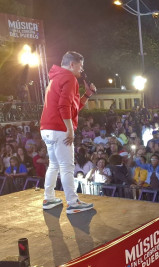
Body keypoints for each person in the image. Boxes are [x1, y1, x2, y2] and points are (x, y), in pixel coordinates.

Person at [40, 51, 96, 214]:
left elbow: (73, 108)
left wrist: (86, 95)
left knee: (55, 165)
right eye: (80, 66)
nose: (82, 70)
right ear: (72, 64)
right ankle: (73, 203)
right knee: (66, 166)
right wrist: (70, 129)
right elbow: (64, 107)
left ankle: (48, 198)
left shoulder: (56, 78)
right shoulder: (69, 78)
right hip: (59, 129)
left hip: (47, 129)